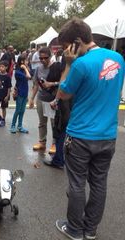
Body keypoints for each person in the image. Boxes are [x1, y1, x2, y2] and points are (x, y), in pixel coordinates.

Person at [53, 18, 124, 240]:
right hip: (108, 136)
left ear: (76, 42)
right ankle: (90, 230)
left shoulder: (80, 64)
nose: (66, 51)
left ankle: (74, 230)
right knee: (99, 183)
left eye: (66, 47)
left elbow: (62, 94)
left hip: (81, 136)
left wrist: (68, 63)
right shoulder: (119, 59)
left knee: (76, 184)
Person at [29, 47, 62, 155]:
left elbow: (63, 83)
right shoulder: (38, 69)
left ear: (50, 56)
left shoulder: (57, 67)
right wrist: (32, 98)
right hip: (41, 98)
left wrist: (51, 84)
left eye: (45, 58)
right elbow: (36, 84)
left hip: (52, 99)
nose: (43, 60)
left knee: (54, 123)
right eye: (40, 58)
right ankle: (42, 142)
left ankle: (54, 144)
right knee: (42, 123)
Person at [10, 54, 31, 133]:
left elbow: (30, 75)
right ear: (22, 61)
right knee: (18, 110)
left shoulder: (22, 70)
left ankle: (20, 126)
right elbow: (29, 77)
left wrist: (26, 68)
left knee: (22, 111)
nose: (27, 62)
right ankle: (12, 125)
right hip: (20, 93)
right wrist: (25, 68)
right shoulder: (18, 72)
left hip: (25, 93)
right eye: (26, 60)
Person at [0, 61, 12, 127]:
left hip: (4, 95)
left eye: (2, 67)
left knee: (3, 108)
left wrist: (7, 96)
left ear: (6, 67)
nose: (1, 68)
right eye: (0, 66)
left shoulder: (7, 76)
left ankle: (3, 119)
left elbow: (9, 87)